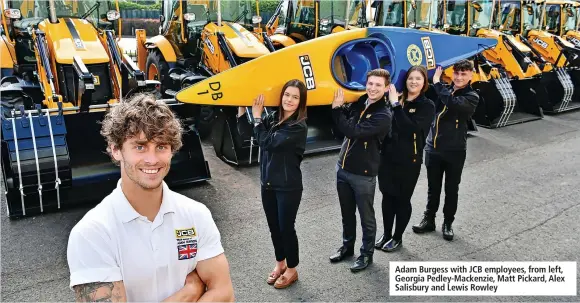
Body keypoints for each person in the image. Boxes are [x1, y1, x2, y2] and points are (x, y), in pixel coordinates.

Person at [67, 94, 235, 302]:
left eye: (161, 146)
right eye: (140, 146)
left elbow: (224, 294)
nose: (152, 159)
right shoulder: (92, 233)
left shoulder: (196, 214)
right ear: (116, 150)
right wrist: (189, 293)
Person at [236, 79, 308, 289]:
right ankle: (281, 264)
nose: (289, 100)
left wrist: (257, 118)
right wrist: (241, 109)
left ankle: (292, 269)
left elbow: (268, 142)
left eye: (295, 97)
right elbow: (248, 134)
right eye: (287, 95)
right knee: (274, 228)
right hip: (267, 183)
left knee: (286, 228)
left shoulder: (298, 126)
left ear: (301, 101)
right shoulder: (273, 117)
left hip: (288, 186)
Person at [328, 69, 393, 272]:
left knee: (366, 217)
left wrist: (337, 110)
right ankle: (347, 247)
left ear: (386, 88)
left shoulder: (383, 115)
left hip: (363, 175)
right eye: (370, 83)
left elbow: (352, 131)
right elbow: (343, 127)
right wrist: (341, 110)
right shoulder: (361, 101)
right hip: (343, 168)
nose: (373, 88)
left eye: (378, 85)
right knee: (347, 214)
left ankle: (366, 254)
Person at [412, 59, 479, 241]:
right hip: (433, 148)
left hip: (455, 151)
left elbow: (453, 103)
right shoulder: (445, 90)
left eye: (463, 74)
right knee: (433, 188)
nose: (458, 77)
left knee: (451, 189)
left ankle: (448, 222)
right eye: (456, 73)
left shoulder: (472, 96)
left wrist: (437, 83)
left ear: (471, 75)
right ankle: (429, 219)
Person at [375, 66, 436, 252]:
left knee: (402, 199)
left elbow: (410, 129)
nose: (413, 82)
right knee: (387, 197)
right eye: (410, 78)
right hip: (387, 158)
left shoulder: (427, 105)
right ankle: (386, 233)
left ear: (424, 82)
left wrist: (395, 105)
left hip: (409, 161)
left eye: (418, 79)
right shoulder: (397, 99)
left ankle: (397, 237)